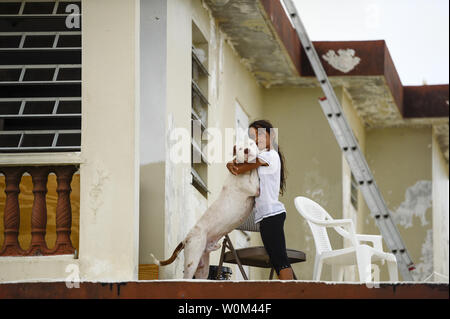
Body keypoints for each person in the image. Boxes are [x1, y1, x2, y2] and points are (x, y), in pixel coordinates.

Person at [226, 119, 294, 280]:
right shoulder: (262, 157)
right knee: (277, 261)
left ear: (272, 135)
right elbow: (236, 166)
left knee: (280, 261)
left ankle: (293, 293)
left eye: (261, 134)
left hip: (272, 215)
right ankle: (293, 291)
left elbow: (238, 167)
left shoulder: (270, 155)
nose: (257, 139)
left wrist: (234, 162)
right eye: (252, 136)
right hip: (264, 217)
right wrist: (234, 162)